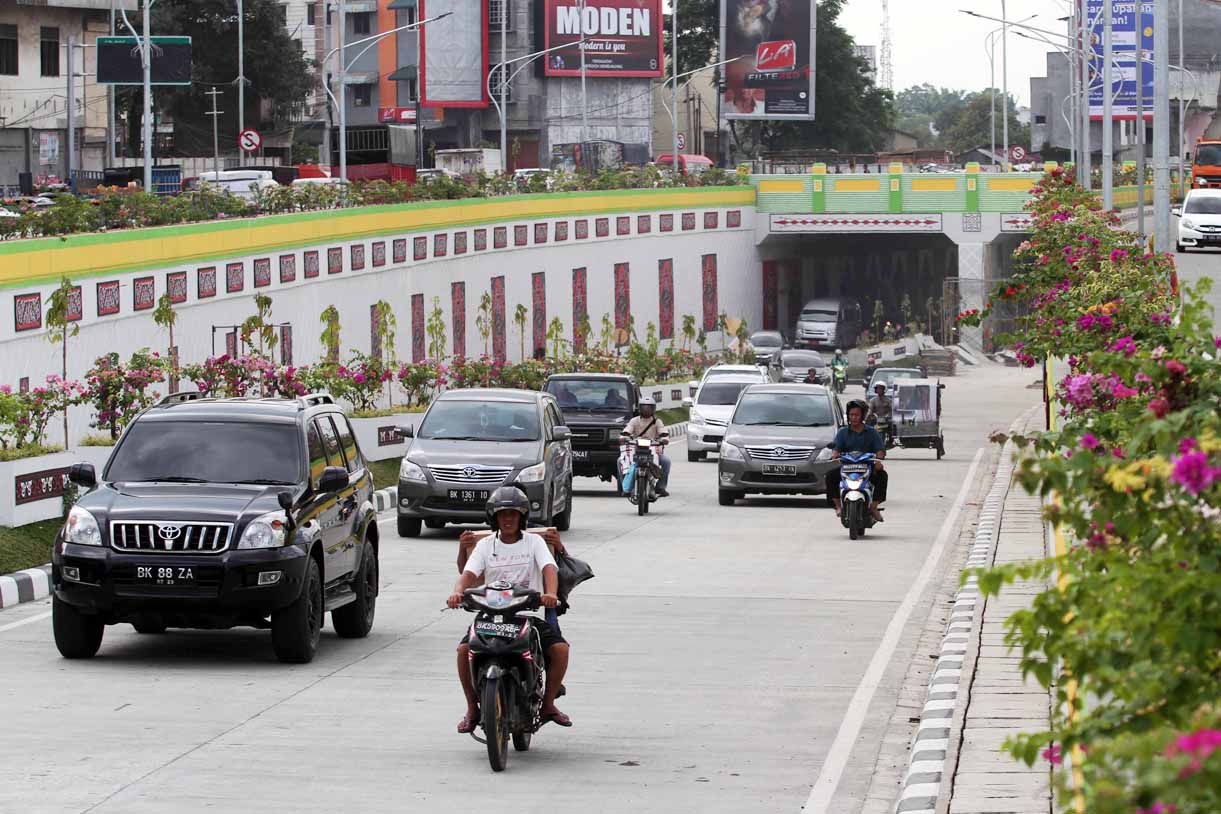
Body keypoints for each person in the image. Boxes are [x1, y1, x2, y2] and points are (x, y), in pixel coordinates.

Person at [448, 487, 572, 733]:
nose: (507, 519)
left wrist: (549, 594)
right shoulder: (484, 546)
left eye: (513, 514)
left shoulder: (534, 542)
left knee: (560, 650)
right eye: (502, 514)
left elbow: (549, 569)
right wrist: (457, 592)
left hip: (527, 615)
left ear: (522, 517)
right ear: (494, 517)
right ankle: (472, 708)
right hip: (490, 616)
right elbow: (468, 574)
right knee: (464, 651)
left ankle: (548, 705)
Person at [824, 399, 888, 522]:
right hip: (847, 467)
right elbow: (836, 450)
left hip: (867, 468)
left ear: (862, 416)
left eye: (856, 415)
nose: (853, 418)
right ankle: (838, 506)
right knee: (830, 476)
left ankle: (874, 507)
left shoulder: (871, 432)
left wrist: (878, 461)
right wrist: (835, 456)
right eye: (851, 415)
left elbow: (880, 450)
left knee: (882, 476)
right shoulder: (843, 432)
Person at [621, 396, 671, 497]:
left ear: (653, 409)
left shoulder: (657, 422)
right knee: (620, 460)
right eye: (644, 407)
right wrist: (624, 437)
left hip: (653, 449)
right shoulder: (634, 421)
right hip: (636, 449)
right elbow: (627, 430)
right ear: (640, 408)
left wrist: (664, 439)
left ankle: (660, 487)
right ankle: (626, 487)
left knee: (666, 462)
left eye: (649, 407)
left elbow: (663, 432)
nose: (647, 410)